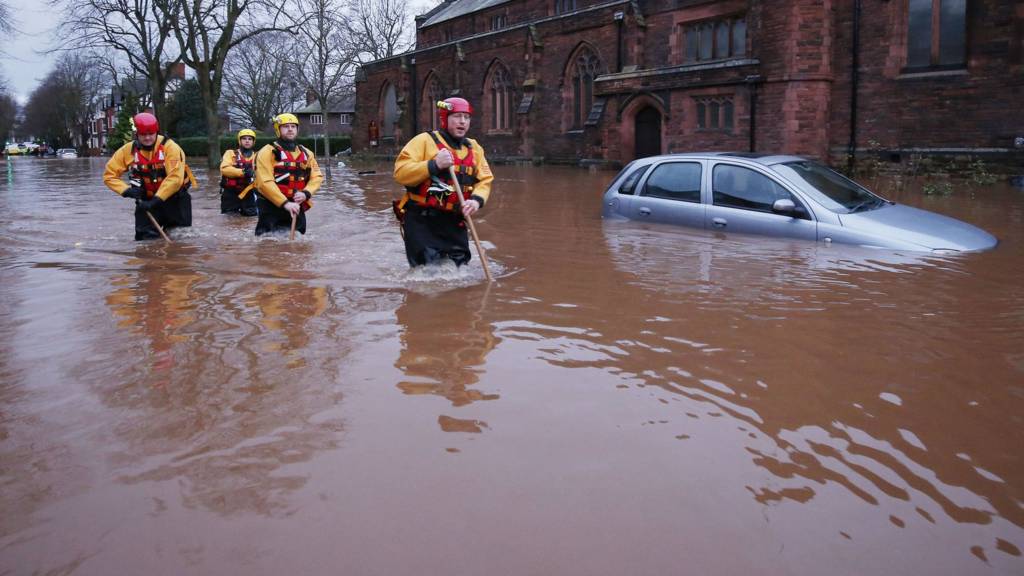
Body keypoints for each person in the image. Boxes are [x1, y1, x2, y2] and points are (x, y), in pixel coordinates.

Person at [393, 97, 494, 268]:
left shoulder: (474, 149)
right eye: (457, 116)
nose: (462, 121)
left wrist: (476, 201)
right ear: (444, 118)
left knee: (459, 267)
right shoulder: (424, 141)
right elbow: (401, 173)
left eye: (466, 117)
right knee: (428, 269)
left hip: (454, 220)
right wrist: (434, 165)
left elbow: (485, 180)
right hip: (422, 220)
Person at [103, 112, 196, 240]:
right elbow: (109, 175)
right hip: (145, 202)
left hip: (175, 200)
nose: (147, 138)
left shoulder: (171, 148)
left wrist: (156, 200)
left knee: (180, 240)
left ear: (156, 132)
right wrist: (126, 190)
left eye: (151, 134)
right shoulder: (127, 151)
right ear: (137, 134)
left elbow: (175, 179)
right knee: (145, 243)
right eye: (143, 135)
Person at [253, 113, 322, 236]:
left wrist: (306, 193)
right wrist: (285, 203)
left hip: (296, 203)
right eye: (285, 126)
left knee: (299, 240)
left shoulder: (307, 153)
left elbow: (316, 177)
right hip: (271, 204)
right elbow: (265, 182)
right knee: (266, 240)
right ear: (278, 130)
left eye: (293, 126)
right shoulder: (267, 152)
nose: (290, 129)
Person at [219, 128, 259, 216]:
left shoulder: (257, 156)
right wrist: (243, 172)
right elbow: (224, 169)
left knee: (250, 218)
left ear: (253, 141)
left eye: (250, 139)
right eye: (244, 138)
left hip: (249, 193)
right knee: (229, 218)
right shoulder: (230, 153)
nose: (247, 141)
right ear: (239, 140)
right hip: (230, 193)